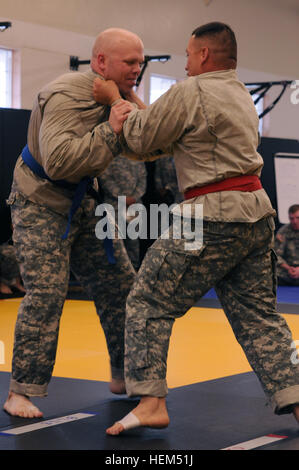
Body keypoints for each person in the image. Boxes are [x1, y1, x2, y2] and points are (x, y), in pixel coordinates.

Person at [93, 21, 299, 435]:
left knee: (147, 300)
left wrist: (114, 97)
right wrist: (133, 97)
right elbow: (171, 138)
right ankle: (296, 396)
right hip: (256, 211)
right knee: (260, 317)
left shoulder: (191, 91)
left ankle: (151, 400)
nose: (185, 64)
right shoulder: (239, 93)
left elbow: (140, 139)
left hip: (208, 213)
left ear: (203, 54)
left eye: (187, 55)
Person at [3, 27, 147, 419]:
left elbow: (148, 144)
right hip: (40, 202)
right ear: (101, 62)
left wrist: (127, 99)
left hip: (84, 201)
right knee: (47, 294)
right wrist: (112, 124)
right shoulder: (66, 93)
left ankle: (124, 374)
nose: (138, 68)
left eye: (140, 61)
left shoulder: (116, 97)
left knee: (122, 287)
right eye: (129, 62)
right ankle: (21, 391)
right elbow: (59, 162)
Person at [98, 155, 147, 270]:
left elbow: (143, 177)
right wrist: (122, 198)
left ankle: (134, 271)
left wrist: (134, 197)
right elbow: (105, 179)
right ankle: (116, 273)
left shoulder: (137, 157)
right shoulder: (110, 156)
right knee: (115, 242)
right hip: (114, 206)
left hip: (134, 206)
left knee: (133, 242)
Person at [275, 204, 299, 285]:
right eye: (292, 218)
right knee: (269, 271)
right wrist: (288, 268)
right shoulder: (283, 231)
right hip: (288, 269)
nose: (295, 221)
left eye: (298, 218)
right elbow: (277, 255)